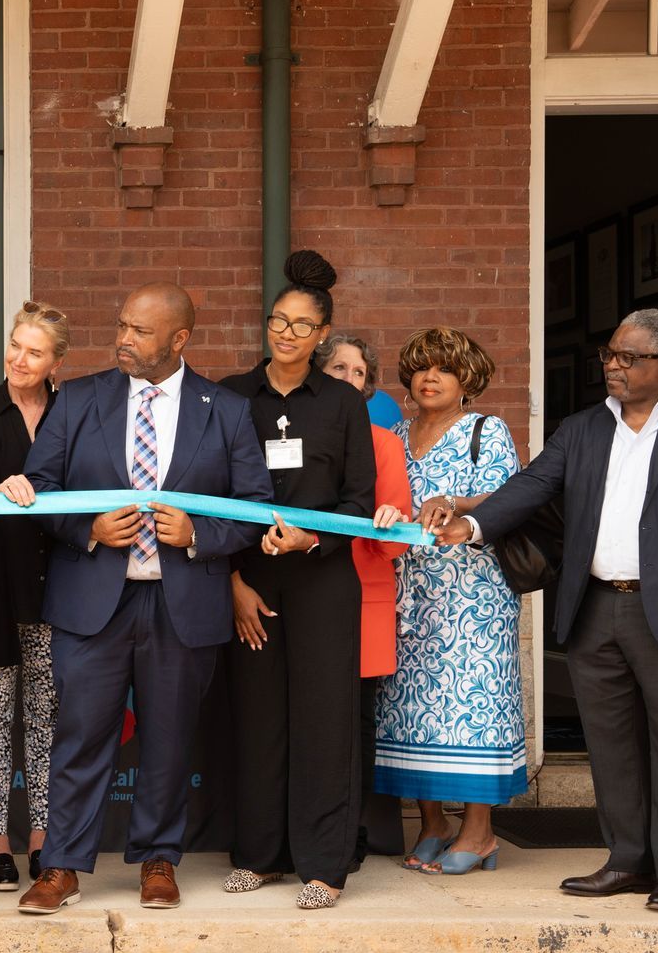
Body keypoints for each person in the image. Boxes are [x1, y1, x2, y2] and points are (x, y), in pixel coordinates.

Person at [430, 308, 658, 911]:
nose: (612, 365)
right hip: (594, 607)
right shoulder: (582, 428)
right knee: (610, 747)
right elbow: (530, 488)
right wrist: (474, 522)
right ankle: (628, 860)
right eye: (609, 354)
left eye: (627, 357)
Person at [12, 284, 272, 915]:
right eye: (122, 325)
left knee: (169, 738)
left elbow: (255, 506)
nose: (124, 339)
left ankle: (158, 860)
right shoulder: (77, 399)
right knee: (79, 736)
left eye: (140, 331)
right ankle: (61, 866)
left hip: (182, 602)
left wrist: (202, 536)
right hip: (92, 599)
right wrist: (87, 528)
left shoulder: (228, 410)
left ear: (179, 340)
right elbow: (39, 487)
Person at [221, 250, 376, 910]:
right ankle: (260, 855)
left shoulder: (343, 403)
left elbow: (360, 500)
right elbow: (205, 490)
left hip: (321, 580)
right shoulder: (228, 396)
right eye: (277, 321)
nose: (285, 333)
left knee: (323, 720)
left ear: (321, 337)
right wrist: (232, 580)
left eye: (300, 325)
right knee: (257, 717)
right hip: (250, 581)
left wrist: (313, 535)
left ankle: (323, 864)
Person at [372, 328, 526, 874]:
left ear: (466, 378)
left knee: (472, 707)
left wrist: (453, 500)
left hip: (473, 595)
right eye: (419, 368)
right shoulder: (393, 429)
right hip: (407, 590)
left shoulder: (487, 429)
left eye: (443, 368)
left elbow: (510, 496)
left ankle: (479, 832)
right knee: (409, 708)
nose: (429, 377)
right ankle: (433, 823)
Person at [0, 303, 65, 888]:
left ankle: (44, 840)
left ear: (55, 361)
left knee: (47, 717)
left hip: (56, 584)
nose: (20, 360)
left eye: (35, 351)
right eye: (15, 346)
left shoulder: (72, 412)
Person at [317, 334, 413, 864]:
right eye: (338, 369)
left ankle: (349, 835)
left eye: (358, 373)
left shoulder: (385, 444)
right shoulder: (296, 437)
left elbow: (394, 542)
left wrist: (389, 519)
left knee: (353, 726)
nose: (349, 379)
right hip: (303, 595)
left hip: (363, 599)